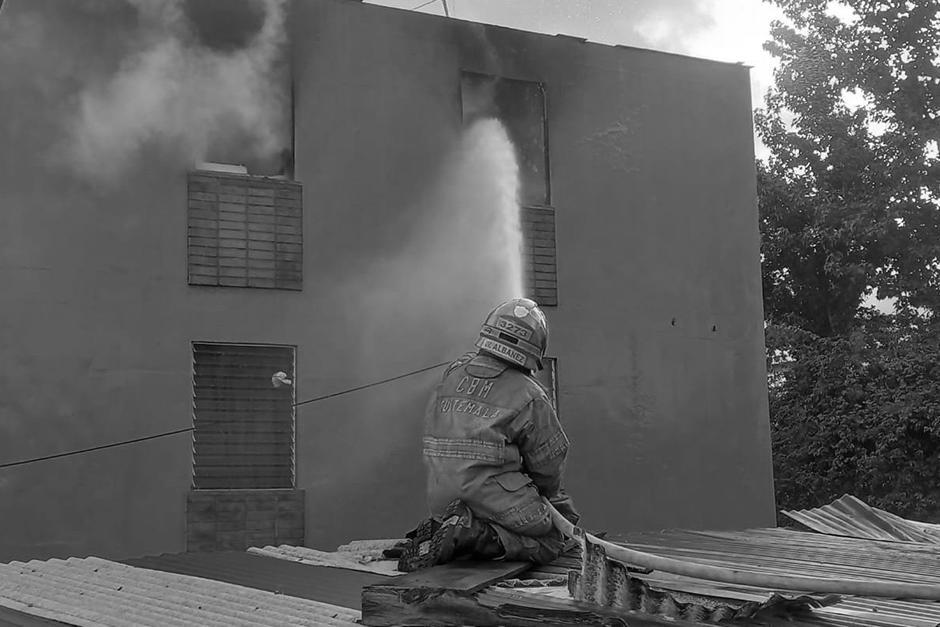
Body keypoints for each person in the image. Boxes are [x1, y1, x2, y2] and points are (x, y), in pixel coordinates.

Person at [396, 297, 580, 572]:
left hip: (441, 499)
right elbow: (548, 467)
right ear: (535, 349)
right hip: (494, 500)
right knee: (554, 537)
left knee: (490, 510)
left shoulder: (452, 375)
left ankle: (447, 527)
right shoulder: (530, 396)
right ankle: (474, 536)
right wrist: (555, 506)